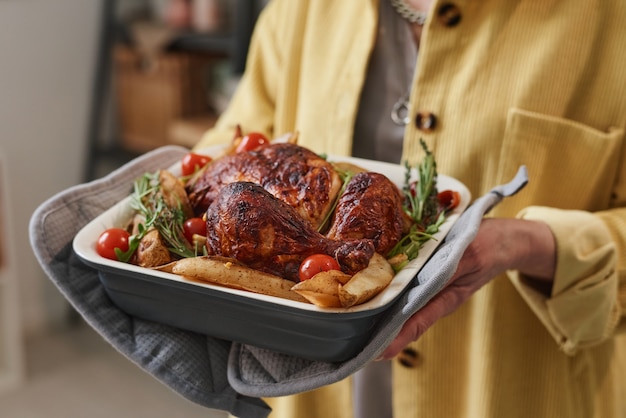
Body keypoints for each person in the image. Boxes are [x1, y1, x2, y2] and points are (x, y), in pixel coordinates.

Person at [194, 0, 626, 417]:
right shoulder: (299, 10)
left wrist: (526, 243)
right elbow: (227, 154)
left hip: (511, 389)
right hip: (306, 388)